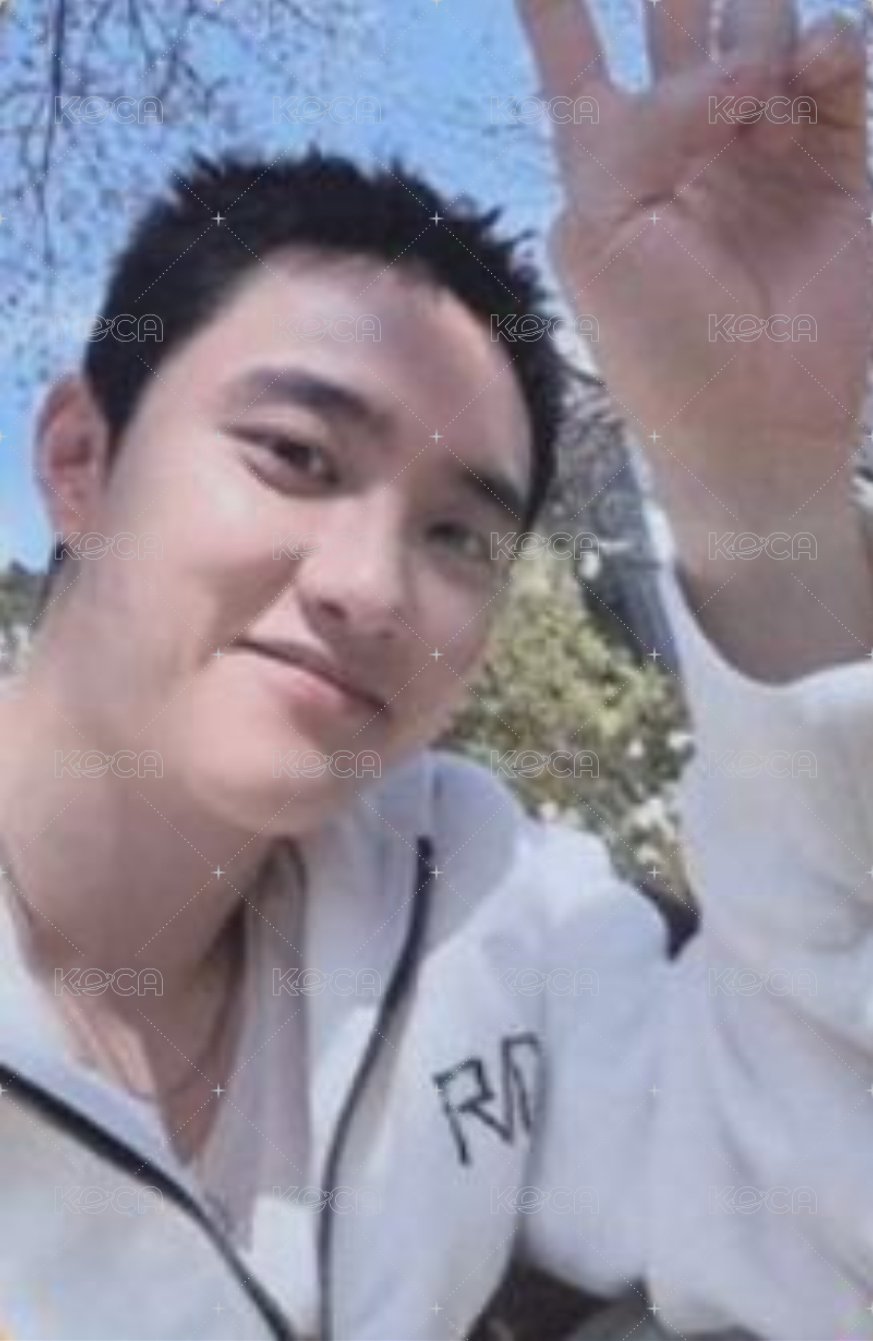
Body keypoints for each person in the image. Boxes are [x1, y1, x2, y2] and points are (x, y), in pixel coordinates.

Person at [0, 0, 870, 1337]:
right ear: (80, 458)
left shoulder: (483, 900)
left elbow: (817, 1232)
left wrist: (755, 479)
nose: (368, 584)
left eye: (458, 535)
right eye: (295, 455)